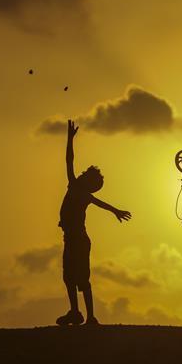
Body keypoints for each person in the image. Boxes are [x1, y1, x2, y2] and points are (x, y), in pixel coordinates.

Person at [56, 120, 132, 326]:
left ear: (87, 182)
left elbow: (69, 161)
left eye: (85, 176)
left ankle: (89, 316)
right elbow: (69, 161)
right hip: (73, 239)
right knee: (70, 277)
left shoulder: (79, 190)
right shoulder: (78, 189)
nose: (79, 174)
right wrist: (116, 210)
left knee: (80, 278)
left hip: (78, 241)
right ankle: (76, 312)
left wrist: (70, 140)